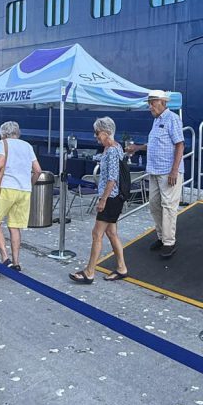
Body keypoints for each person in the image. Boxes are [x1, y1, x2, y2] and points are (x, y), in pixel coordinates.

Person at [125, 90, 184, 259]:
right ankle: (161, 236)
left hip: (168, 171)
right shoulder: (156, 121)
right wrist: (137, 148)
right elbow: (154, 143)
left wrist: (174, 170)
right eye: (149, 103)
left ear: (163, 102)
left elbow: (180, 145)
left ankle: (169, 242)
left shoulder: (172, 118)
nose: (150, 106)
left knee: (168, 206)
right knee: (154, 205)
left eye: (153, 102)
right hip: (154, 170)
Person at [70, 117, 129, 284]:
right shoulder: (115, 148)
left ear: (106, 132)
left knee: (97, 234)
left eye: (97, 133)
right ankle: (122, 268)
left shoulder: (111, 150)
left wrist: (103, 200)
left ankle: (89, 272)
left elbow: (112, 178)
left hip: (110, 198)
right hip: (114, 197)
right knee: (111, 233)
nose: (95, 136)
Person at [0, 121, 41, 272]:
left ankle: (5, 258)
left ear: (3, 134)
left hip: (7, 187)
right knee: (15, 226)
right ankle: (16, 262)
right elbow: (37, 170)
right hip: (24, 190)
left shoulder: (3, 143)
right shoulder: (27, 146)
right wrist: (29, 184)